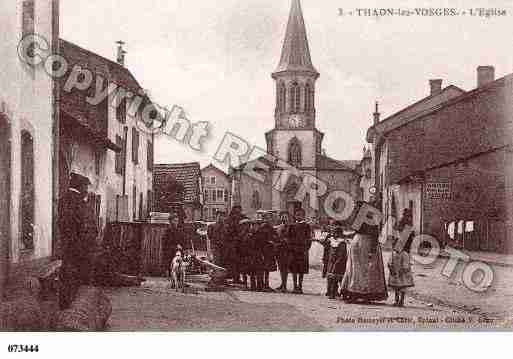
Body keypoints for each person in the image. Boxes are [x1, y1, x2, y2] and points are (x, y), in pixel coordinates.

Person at [58, 173, 95, 310]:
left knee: (68, 278)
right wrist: (84, 245)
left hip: (70, 247)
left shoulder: (66, 199)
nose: (87, 190)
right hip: (79, 248)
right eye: (85, 186)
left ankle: (66, 307)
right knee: (78, 279)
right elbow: (78, 226)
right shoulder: (77, 201)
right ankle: (75, 310)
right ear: (80, 186)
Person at [341, 201, 388, 303]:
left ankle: (360, 293)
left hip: (364, 244)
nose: (357, 210)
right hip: (359, 244)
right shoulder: (366, 219)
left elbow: (373, 234)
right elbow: (357, 231)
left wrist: (372, 248)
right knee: (356, 269)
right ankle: (357, 293)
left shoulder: (368, 219)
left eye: (358, 208)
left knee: (361, 269)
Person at [288, 208, 312, 294]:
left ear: (304, 216)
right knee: (294, 269)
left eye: (301, 215)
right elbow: (289, 238)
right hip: (294, 251)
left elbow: (309, 239)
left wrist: (306, 249)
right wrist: (291, 248)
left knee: (301, 270)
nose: (299, 216)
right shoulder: (292, 226)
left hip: (303, 250)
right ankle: (294, 286)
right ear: (295, 216)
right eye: (297, 214)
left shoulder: (307, 226)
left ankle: (300, 286)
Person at [388, 236, 414, 307]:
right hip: (395, 273)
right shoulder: (393, 254)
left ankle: (401, 301)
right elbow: (389, 262)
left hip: (403, 275)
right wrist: (391, 269)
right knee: (396, 288)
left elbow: (406, 265)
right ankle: (396, 300)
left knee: (402, 288)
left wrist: (403, 271)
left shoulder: (404, 254)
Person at [325, 225, 350, 300]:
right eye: (333, 233)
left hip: (340, 263)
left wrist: (337, 262)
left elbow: (342, 255)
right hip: (332, 262)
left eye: (336, 233)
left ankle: (343, 293)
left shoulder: (342, 243)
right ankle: (331, 292)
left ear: (340, 234)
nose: (334, 235)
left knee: (339, 279)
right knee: (332, 278)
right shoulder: (332, 241)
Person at [256, 217, 278, 291]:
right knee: (263, 269)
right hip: (264, 251)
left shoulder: (270, 228)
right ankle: (262, 285)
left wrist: (273, 242)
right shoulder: (262, 229)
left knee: (267, 269)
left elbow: (275, 237)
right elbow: (260, 240)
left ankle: (265, 284)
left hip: (269, 251)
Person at [225, 206, 244, 283]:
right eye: (236, 212)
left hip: (239, 244)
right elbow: (229, 232)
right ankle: (235, 278)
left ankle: (236, 277)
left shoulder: (240, 219)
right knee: (233, 262)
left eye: (239, 212)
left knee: (237, 262)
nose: (237, 214)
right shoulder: (230, 220)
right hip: (233, 244)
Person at [163, 213, 185, 278]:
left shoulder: (179, 230)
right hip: (170, 251)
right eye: (175, 221)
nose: (176, 223)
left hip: (178, 251)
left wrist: (181, 246)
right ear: (170, 221)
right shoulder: (167, 231)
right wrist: (175, 246)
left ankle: (180, 278)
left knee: (181, 261)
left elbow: (182, 240)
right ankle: (172, 278)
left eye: (177, 221)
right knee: (171, 262)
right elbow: (165, 244)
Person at [274, 211, 291, 292]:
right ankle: (282, 284)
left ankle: (284, 285)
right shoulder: (278, 227)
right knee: (281, 268)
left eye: (285, 217)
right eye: (282, 217)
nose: (284, 218)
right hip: (279, 249)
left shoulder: (290, 227)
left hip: (286, 250)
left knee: (285, 268)